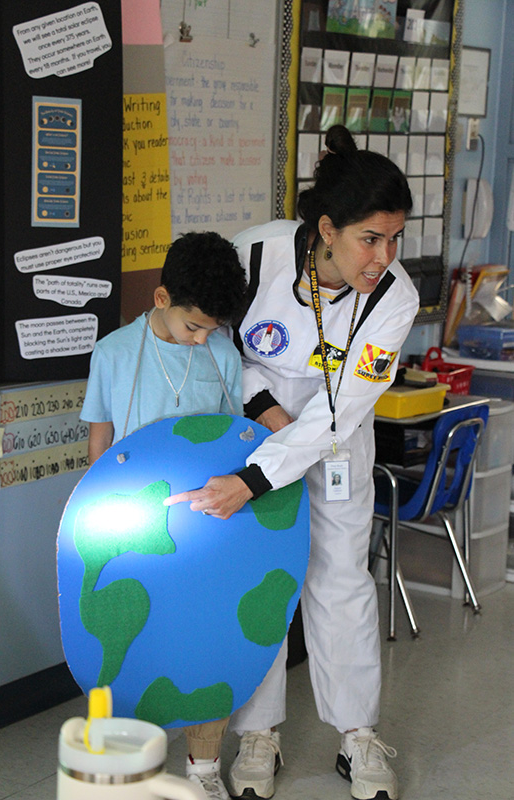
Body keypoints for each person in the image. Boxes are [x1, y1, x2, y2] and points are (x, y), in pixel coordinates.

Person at [165, 125, 420, 800]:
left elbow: (345, 407)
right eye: (371, 238)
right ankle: (258, 735)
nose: (384, 255)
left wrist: (257, 478)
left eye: (395, 238)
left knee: (340, 578)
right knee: (263, 579)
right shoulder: (256, 254)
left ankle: (356, 736)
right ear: (326, 228)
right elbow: (224, 348)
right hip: (250, 422)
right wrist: (264, 414)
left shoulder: (393, 297)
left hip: (338, 434)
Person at [80, 230, 248, 800]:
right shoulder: (114, 353)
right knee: (128, 645)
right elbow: (99, 443)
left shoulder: (221, 354)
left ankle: (204, 768)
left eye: (212, 329)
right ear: (160, 300)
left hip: (205, 526)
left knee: (209, 643)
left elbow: (236, 440)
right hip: (135, 528)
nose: (201, 340)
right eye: (193, 326)